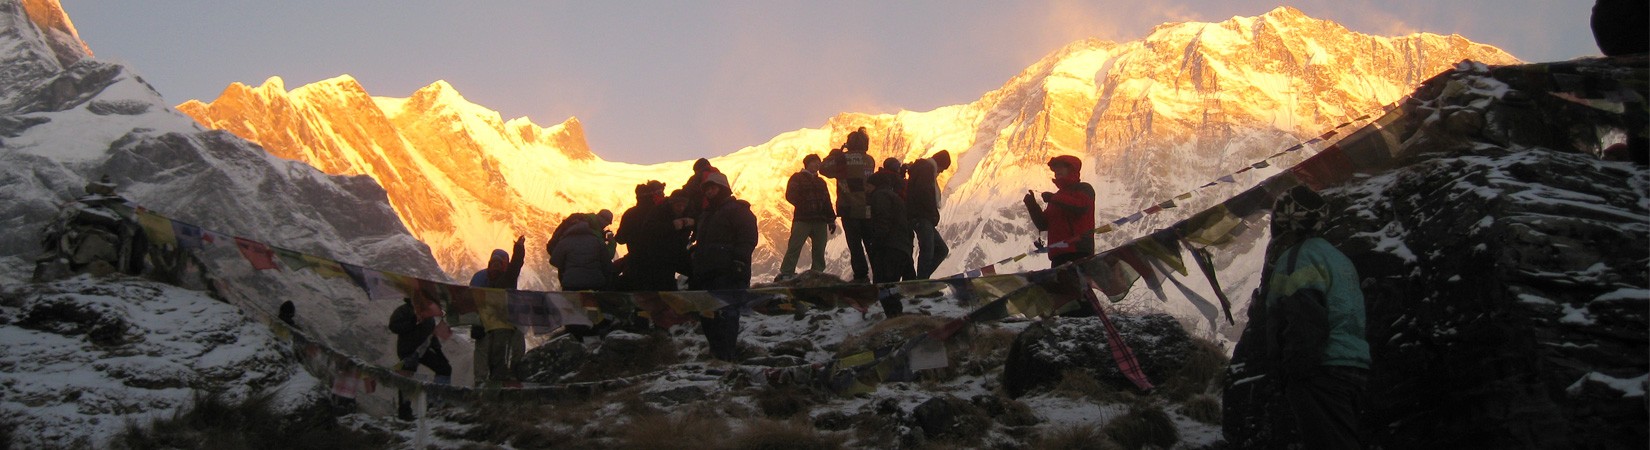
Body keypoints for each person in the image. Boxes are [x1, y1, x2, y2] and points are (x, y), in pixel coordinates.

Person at [1262, 185, 1370, 450]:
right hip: (1354, 365)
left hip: (1320, 370)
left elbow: (1305, 318)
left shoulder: (1298, 258)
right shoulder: (1338, 258)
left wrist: (1295, 372)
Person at [688, 172, 757, 361]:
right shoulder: (706, 215)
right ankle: (717, 353)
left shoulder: (738, 210)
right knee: (707, 315)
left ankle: (726, 355)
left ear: (723, 188)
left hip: (729, 272)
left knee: (726, 315)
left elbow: (747, 238)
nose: (709, 192)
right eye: (707, 189)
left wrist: (739, 263)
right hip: (706, 273)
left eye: (713, 187)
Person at [821, 127, 876, 283]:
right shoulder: (869, 160)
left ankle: (861, 276)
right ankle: (880, 274)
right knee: (871, 244)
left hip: (849, 208)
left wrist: (835, 154)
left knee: (855, 244)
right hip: (867, 208)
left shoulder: (842, 159)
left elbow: (824, 169)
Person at [468, 236, 526, 383]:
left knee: (486, 352)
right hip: (498, 323)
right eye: (494, 263)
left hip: (487, 322)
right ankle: (495, 381)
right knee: (497, 353)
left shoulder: (480, 277)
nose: (496, 266)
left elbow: (471, 299)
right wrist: (519, 248)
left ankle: (483, 382)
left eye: (498, 263)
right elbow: (516, 265)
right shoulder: (506, 278)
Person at [389, 296, 451, 420]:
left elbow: (431, 334)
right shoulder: (404, 310)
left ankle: (435, 404)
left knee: (444, 368)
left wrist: (438, 352)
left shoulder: (427, 314)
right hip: (408, 349)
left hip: (424, 349)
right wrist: (412, 322)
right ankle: (404, 411)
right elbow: (394, 326)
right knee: (406, 376)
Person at [776, 154, 836, 282]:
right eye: (814, 162)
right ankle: (786, 272)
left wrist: (831, 219)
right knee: (795, 246)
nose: (817, 165)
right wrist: (804, 205)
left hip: (819, 220)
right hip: (802, 219)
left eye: (818, 163)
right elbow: (790, 195)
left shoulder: (821, 182)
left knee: (819, 249)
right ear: (807, 164)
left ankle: (817, 273)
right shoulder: (797, 178)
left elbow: (827, 201)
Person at [616, 181, 679, 291]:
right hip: (663, 265)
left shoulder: (630, 213)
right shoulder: (664, 212)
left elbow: (621, 238)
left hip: (637, 264)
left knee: (640, 302)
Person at [867, 171, 914, 317]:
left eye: (867, 185)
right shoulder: (895, 197)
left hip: (889, 247)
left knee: (883, 285)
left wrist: (876, 242)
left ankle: (894, 317)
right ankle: (895, 315)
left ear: (874, 185)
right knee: (891, 285)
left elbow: (882, 220)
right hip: (902, 247)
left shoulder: (879, 196)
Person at [906, 150, 952, 279]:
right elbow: (924, 193)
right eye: (942, 169)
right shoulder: (926, 170)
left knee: (941, 250)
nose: (941, 172)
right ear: (940, 164)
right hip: (921, 216)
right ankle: (921, 283)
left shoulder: (924, 168)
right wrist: (932, 214)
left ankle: (921, 279)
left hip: (922, 216)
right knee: (928, 250)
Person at [551, 212, 615, 291]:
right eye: (607, 222)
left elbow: (554, 261)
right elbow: (607, 259)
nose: (606, 225)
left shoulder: (565, 240)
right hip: (594, 283)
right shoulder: (596, 240)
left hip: (570, 284)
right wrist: (612, 242)